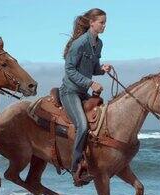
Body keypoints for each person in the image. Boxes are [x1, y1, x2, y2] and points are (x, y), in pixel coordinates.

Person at [60, 8, 112, 185]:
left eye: (105, 22)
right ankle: (75, 167)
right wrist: (90, 83)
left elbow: (93, 68)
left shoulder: (99, 44)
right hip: (70, 91)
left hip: (82, 92)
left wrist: (102, 69)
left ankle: (92, 160)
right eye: (101, 22)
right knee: (82, 126)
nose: (104, 25)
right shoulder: (79, 43)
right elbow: (69, 70)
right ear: (92, 23)